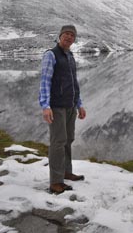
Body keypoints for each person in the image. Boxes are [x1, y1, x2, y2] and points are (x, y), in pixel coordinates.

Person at [39, 25, 87, 194]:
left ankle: (66, 171)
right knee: (58, 142)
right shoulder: (51, 55)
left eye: (72, 35)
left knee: (68, 139)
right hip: (57, 106)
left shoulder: (70, 56)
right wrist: (45, 106)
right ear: (60, 36)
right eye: (66, 34)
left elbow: (74, 83)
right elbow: (45, 81)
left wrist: (79, 104)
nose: (69, 37)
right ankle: (55, 182)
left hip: (70, 106)